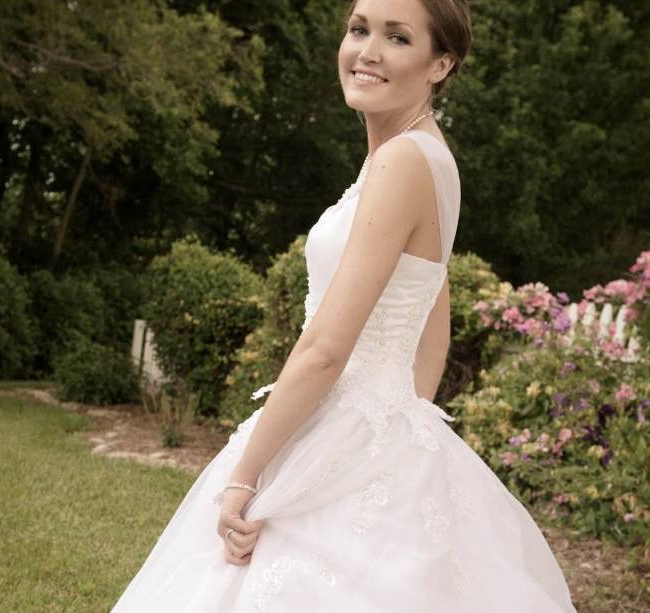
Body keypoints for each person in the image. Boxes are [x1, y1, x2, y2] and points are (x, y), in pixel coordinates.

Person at [111, 0, 577, 610]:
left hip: (342, 420)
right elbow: (434, 318)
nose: (368, 52)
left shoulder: (401, 161)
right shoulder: (431, 158)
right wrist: (394, 434)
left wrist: (243, 478)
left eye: (397, 37)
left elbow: (326, 349)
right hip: (372, 428)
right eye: (359, 30)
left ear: (440, 64)